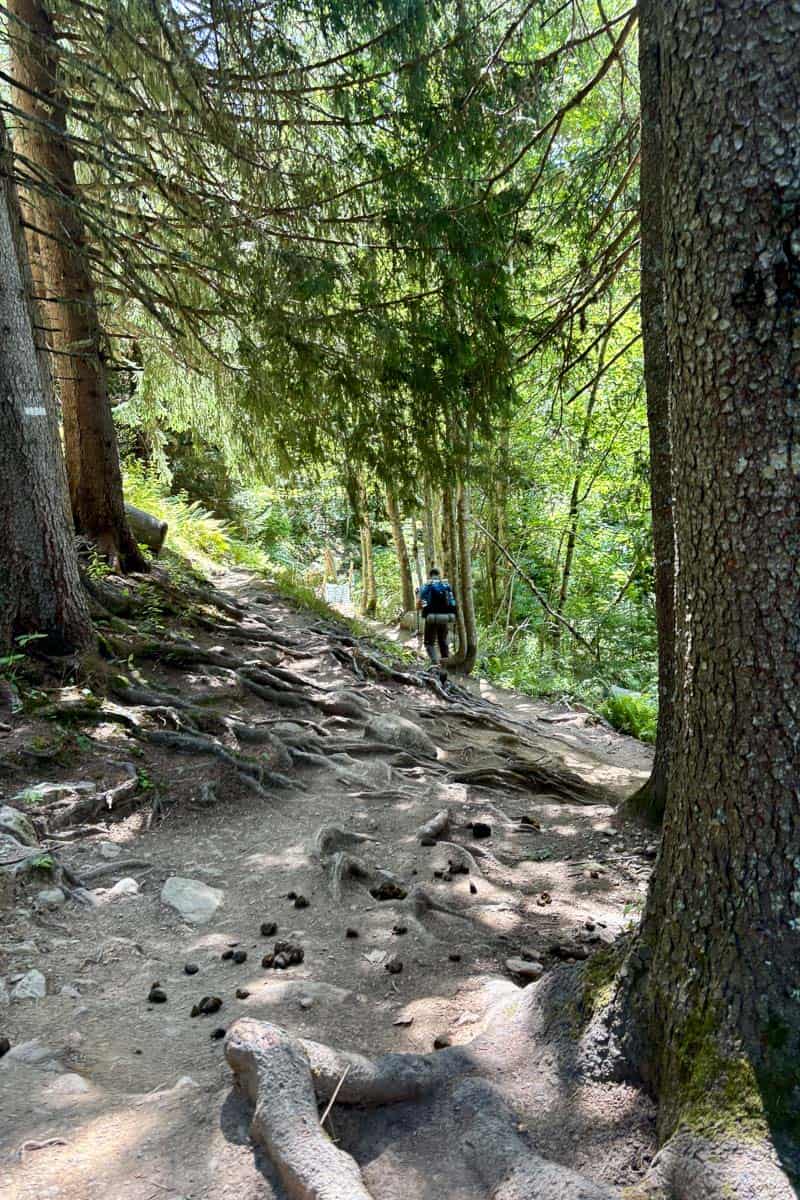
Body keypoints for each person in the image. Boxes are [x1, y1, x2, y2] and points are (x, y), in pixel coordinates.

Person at [417, 567, 457, 664]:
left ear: (430, 575)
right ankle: (446, 662)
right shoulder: (445, 585)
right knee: (442, 641)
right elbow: (452, 602)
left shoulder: (427, 585)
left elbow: (420, 602)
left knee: (429, 643)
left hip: (431, 618)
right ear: (439, 575)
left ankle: (434, 663)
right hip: (445, 618)